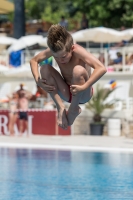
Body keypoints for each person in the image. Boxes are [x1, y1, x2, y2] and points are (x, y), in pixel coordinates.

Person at [30, 24, 106, 130]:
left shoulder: (78, 50)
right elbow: (34, 60)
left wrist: (85, 86)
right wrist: (38, 80)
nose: (61, 60)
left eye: (64, 56)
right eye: (56, 57)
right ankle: (60, 107)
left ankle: (74, 107)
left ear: (72, 48)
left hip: (83, 93)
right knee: (44, 68)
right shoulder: (54, 51)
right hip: (65, 91)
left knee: (78, 70)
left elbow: (101, 68)